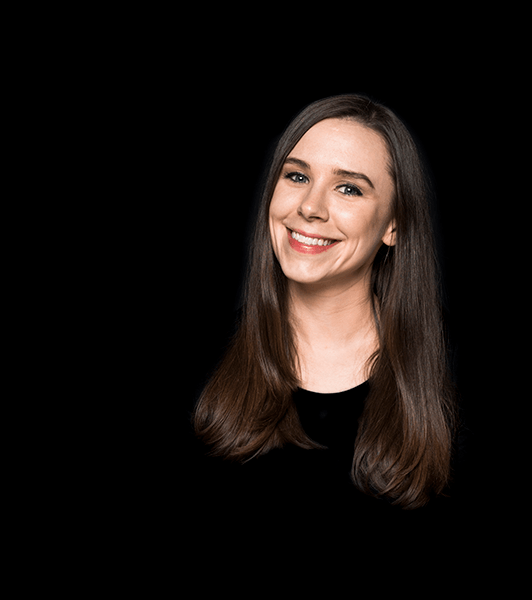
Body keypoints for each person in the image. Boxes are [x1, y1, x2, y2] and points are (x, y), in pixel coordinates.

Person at [189, 94, 459, 523]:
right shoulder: (201, 359)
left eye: (348, 188)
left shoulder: (452, 380)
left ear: (395, 224)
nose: (310, 208)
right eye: (296, 177)